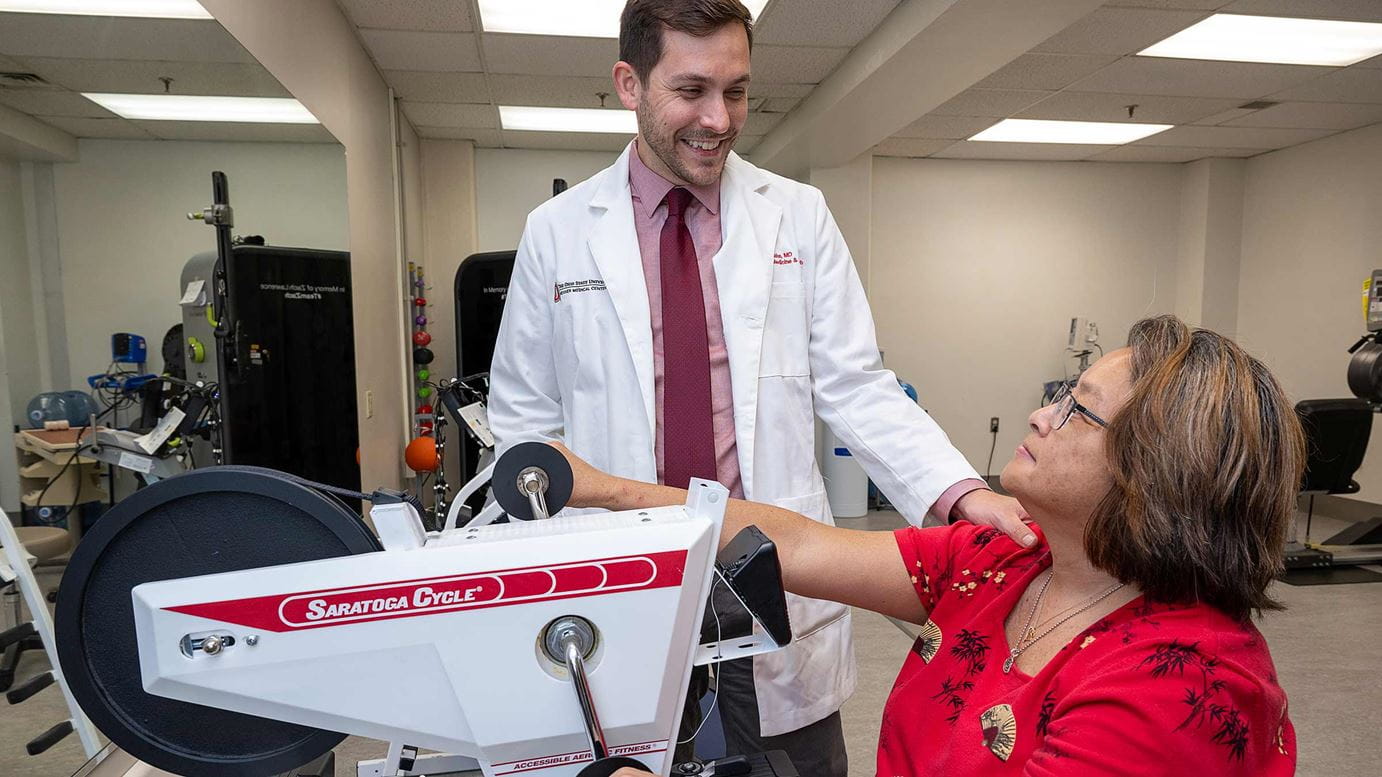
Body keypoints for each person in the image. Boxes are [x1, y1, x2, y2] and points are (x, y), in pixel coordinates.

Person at [488, 0, 1026, 772]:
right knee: (630, 753)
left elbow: (858, 386)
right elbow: (524, 423)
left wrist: (960, 495)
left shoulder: (798, 217)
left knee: (789, 758)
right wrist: (535, 589)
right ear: (628, 85)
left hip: (765, 570)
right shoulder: (559, 231)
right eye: (692, 89)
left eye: (736, 91)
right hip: (619, 575)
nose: (718, 118)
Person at [552, 316, 1302, 777]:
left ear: (1157, 469)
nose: (1042, 414)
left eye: (1079, 411)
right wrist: (603, 489)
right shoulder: (1008, 557)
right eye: (1060, 394)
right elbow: (795, 543)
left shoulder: (1175, 691)